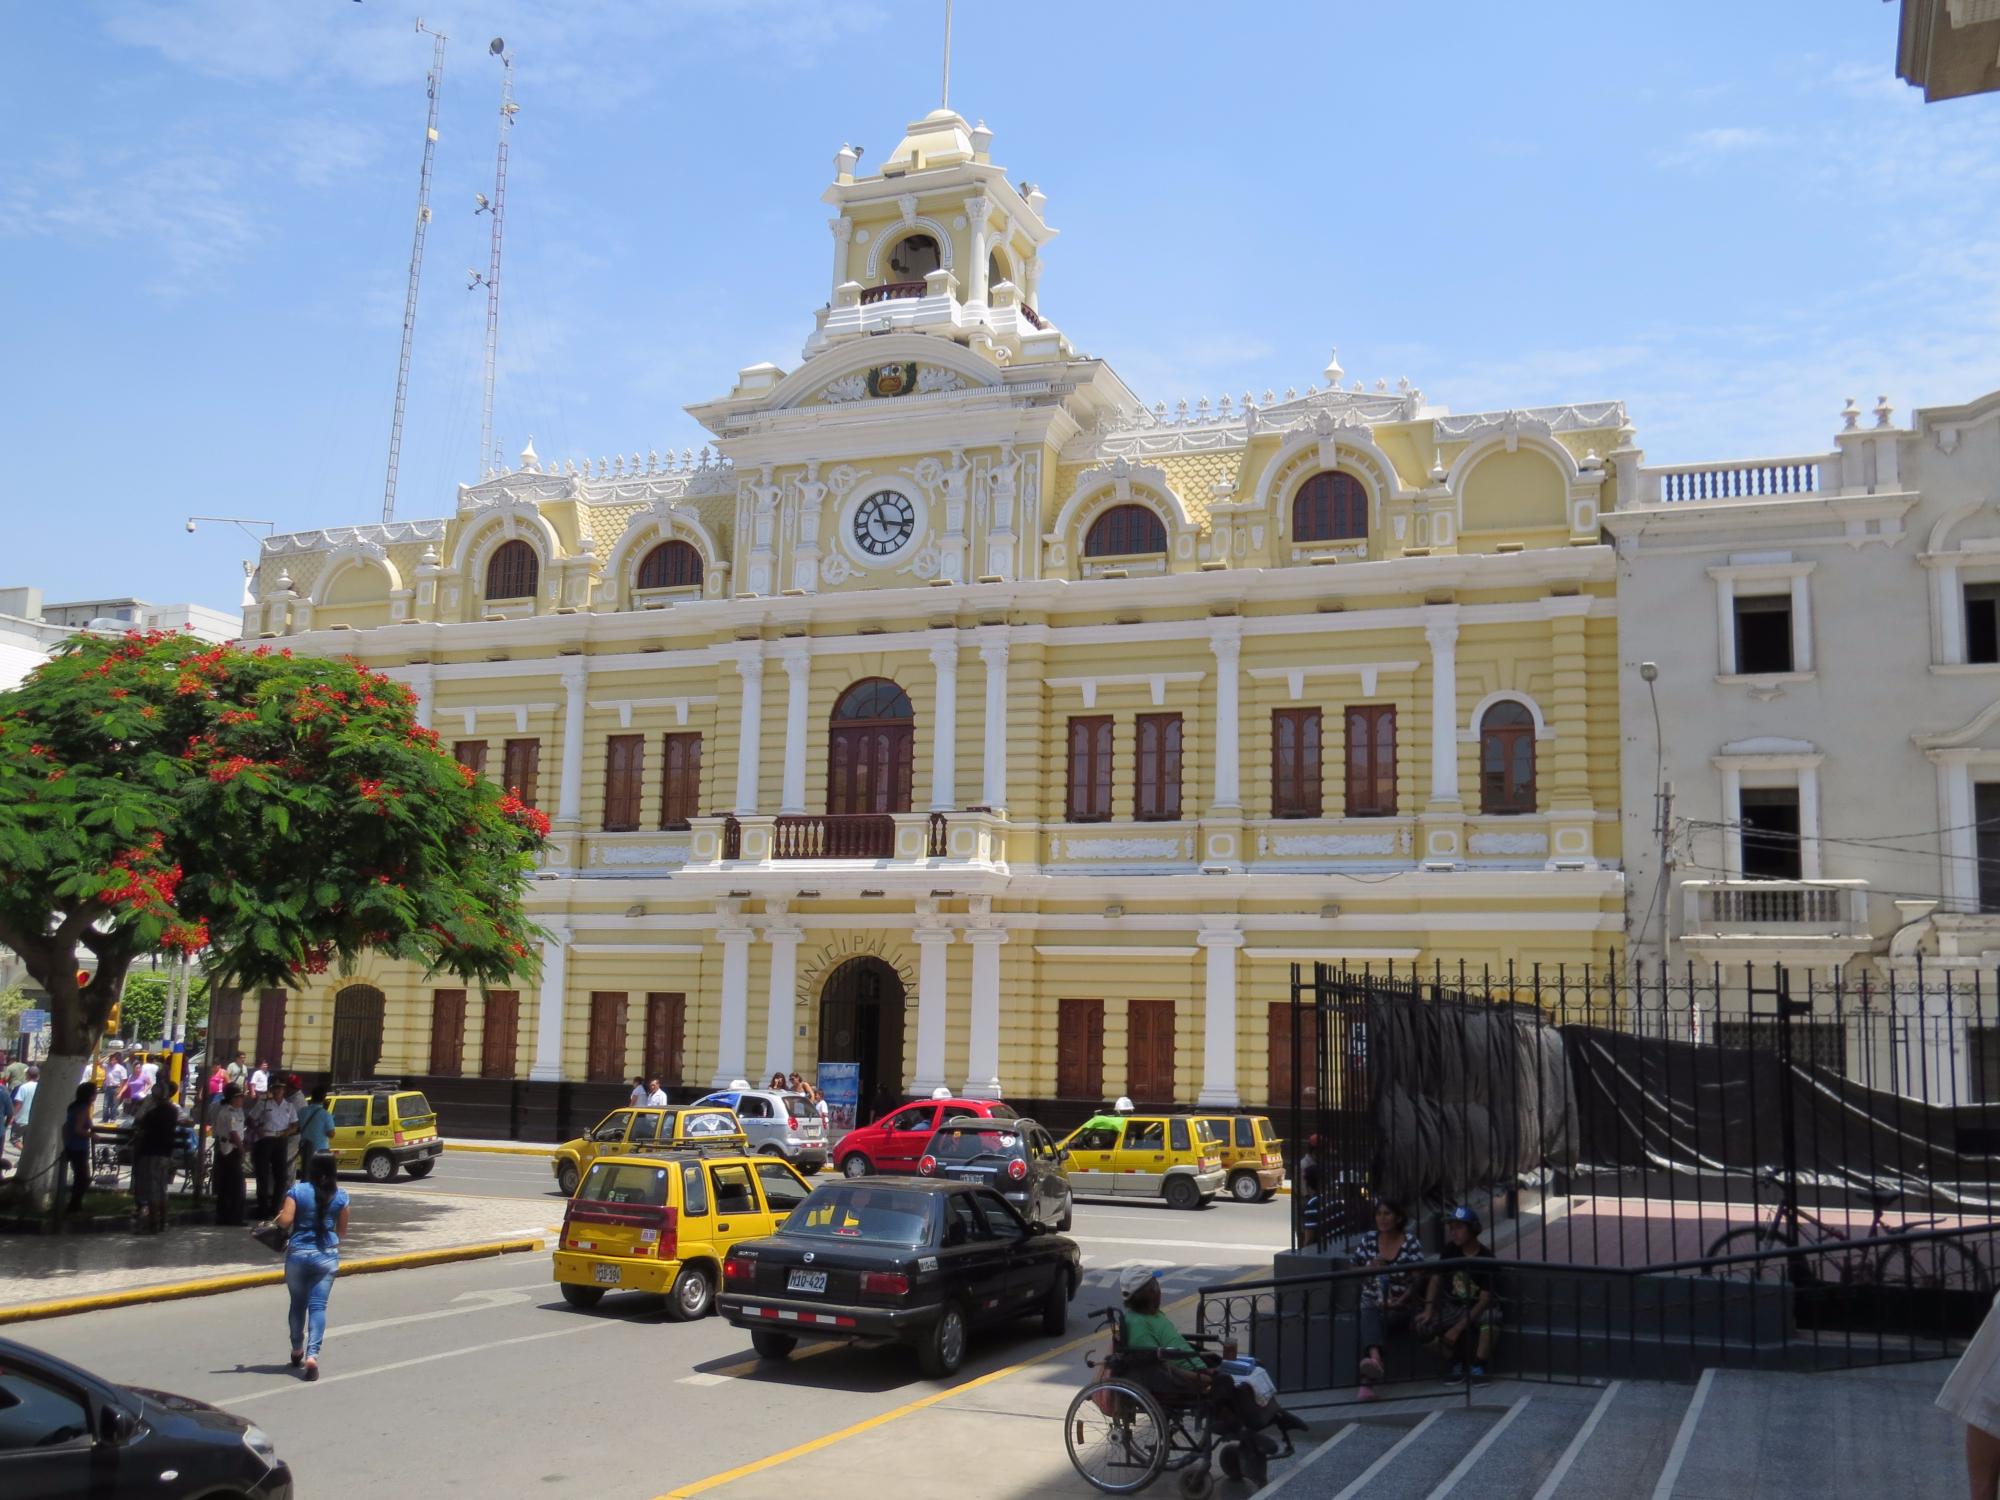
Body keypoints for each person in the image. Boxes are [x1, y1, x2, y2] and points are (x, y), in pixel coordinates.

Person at [276, 1152, 350, 1382]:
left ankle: (296, 1348)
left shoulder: (297, 1192)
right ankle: (312, 1356)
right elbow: (341, 1232)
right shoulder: (341, 1196)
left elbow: (285, 1221)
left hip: (298, 1253)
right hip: (326, 1255)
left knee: (298, 1304)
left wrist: (279, 1216)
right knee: (318, 1307)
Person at [1350, 1200, 1426, 1399]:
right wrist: (1369, 1268)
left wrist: (1400, 1301)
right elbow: (1352, 1269)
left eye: (1387, 1214)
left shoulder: (1410, 1242)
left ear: (1398, 1217)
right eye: (1379, 1214)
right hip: (1373, 1300)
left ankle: (1369, 1376)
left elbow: (1419, 1277)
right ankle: (1374, 1360)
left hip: (1401, 1304)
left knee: (1371, 1317)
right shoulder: (1369, 1240)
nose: (1382, 1219)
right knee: (1369, 1309)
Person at [1417, 1206, 1499, 1380]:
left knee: (1491, 1319)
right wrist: (1428, 1309)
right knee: (1421, 1326)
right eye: (1451, 1229)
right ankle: (1456, 1362)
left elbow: (1485, 1299)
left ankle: (1479, 1366)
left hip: (1476, 1308)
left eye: (1459, 1228)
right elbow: (1436, 1278)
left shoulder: (1487, 1258)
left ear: (1473, 1229)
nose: (1453, 1233)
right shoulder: (1450, 1251)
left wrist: (1457, 1328)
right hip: (1452, 1306)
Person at [131, 1089, 180, 1233]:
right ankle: (163, 1221)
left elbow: (139, 1122)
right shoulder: (172, 1112)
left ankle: (152, 1223)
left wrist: (145, 1107)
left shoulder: (153, 1114)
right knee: (161, 1189)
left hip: (151, 1153)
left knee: (152, 1188)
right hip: (165, 1153)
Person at [250, 1081, 297, 1219]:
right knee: (263, 1175)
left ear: (284, 1090)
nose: (278, 1091)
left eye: (281, 1088)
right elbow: (251, 1119)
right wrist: (258, 1129)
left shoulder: (289, 1106)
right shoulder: (264, 1104)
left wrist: (289, 1131)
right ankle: (262, 1209)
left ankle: (275, 1208)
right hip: (266, 1139)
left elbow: (295, 1124)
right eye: (276, 1088)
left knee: (281, 1177)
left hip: (280, 1139)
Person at [210, 1083, 248, 1226]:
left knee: (229, 1185)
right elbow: (233, 1133)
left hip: (231, 1149)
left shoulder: (237, 1111)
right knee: (235, 1186)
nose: (241, 1100)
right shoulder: (228, 1112)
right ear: (232, 1098)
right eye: (238, 1097)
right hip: (229, 1149)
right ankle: (232, 1216)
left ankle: (227, 1215)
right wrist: (242, 1149)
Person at [61, 1083, 96, 1213]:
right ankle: (74, 1206)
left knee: (81, 1176)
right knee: (82, 1177)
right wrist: (92, 1135)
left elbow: (65, 1127)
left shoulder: (74, 1107)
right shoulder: (83, 1108)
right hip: (78, 1146)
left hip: (72, 1145)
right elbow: (78, 1129)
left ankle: (75, 1205)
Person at [296, 1088, 335, 1177]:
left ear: (312, 1098)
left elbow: (297, 1128)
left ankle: (306, 1188)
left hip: (305, 1148)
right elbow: (331, 1134)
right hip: (321, 1150)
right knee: (319, 1175)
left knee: (306, 1173)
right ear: (324, 1099)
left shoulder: (302, 1111)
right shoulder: (326, 1114)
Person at [10, 1066, 39, 1153]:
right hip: (34, 1120)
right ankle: (25, 1158)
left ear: (28, 1075)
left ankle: (26, 1154)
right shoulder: (40, 1087)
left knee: (14, 1139)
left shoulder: (23, 1087)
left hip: (22, 1119)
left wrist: (13, 1116)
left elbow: (19, 1103)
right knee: (27, 1141)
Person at [101, 1054, 127, 1123]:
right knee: (105, 1105)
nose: (111, 1061)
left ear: (116, 1060)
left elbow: (123, 1079)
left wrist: (120, 1089)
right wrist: (108, 1055)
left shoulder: (120, 1068)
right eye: (110, 1060)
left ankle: (113, 1118)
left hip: (116, 1087)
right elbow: (99, 1062)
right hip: (108, 1087)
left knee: (114, 1105)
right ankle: (105, 1119)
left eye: (113, 1060)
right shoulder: (107, 1066)